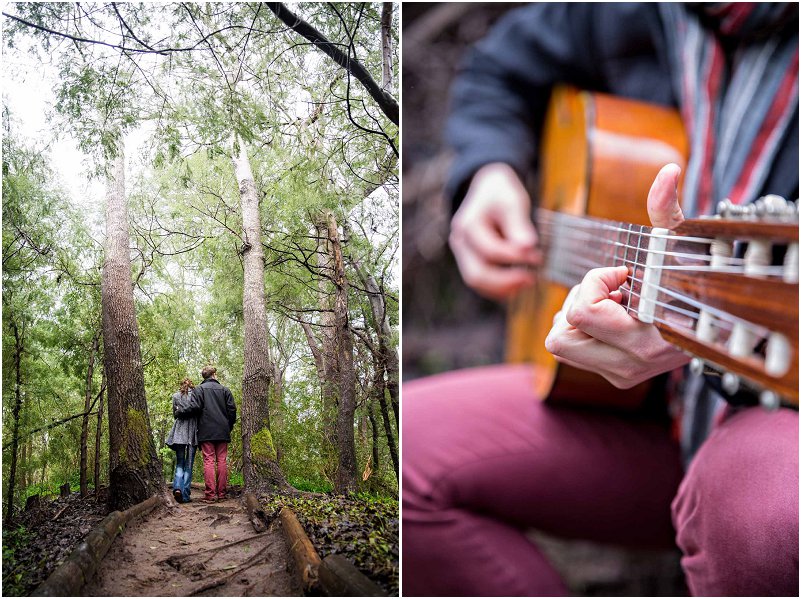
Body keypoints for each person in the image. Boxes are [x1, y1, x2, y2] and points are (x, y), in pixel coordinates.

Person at [403, 3, 798, 596]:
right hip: (640, 412)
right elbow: (496, 69)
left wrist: (698, 329)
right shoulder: (639, 10)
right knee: (412, 456)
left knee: (769, 523)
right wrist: (490, 170)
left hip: (773, 419)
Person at [192, 366, 237, 502]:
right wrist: (228, 426)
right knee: (222, 460)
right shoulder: (225, 390)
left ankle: (210, 495)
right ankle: (222, 494)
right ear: (214, 375)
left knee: (209, 461)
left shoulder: (199, 390)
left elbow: (195, 410)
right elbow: (232, 411)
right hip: (222, 430)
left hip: (206, 431)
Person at [166, 378, 198, 504]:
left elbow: (175, 414)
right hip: (191, 433)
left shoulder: (175, 396)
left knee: (180, 463)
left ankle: (177, 488)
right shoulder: (196, 397)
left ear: (181, 386)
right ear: (192, 386)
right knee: (189, 464)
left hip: (179, 432)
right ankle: (185, 495)